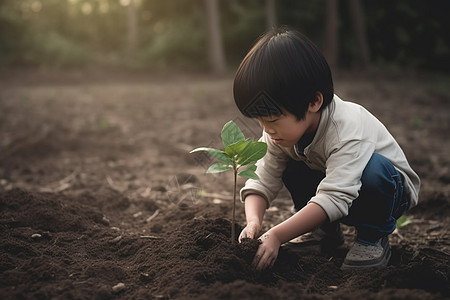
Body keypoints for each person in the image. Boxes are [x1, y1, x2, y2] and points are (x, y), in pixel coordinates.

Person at [232, 27, 420, 271]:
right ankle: (325, 233)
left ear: (314, 102)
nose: (266, 130)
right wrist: (253, 222)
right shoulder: (279, 134)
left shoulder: (347, 129)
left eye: (273, 120)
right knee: (291, 161)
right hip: (338, 190)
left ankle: (372, 237)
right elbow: (262, 179)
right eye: (260, 121)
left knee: (374, 170)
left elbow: (335, 196)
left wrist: (277, 235)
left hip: (386, 193)